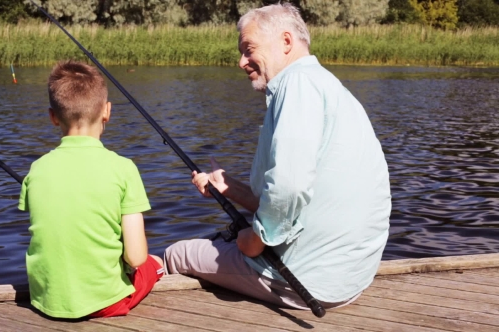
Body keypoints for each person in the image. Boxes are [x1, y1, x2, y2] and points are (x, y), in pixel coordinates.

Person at [164, 3, 391, 310]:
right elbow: (291, 199)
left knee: (176, 253)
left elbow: (289, 188)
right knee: (226, 239)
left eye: (249, 49)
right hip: (350, 280)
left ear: (286, 42)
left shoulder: (295, 86)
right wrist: (228, 186)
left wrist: (255, 240)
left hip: (306, 282)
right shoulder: (326, 86)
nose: (241, 61)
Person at [18, 61, 164, 319]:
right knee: (152, 264)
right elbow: (136, 256)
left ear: (53, 117)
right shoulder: (124, 168)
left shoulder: (36, 169)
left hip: (46, 299)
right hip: (105, 303)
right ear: (107, 111)